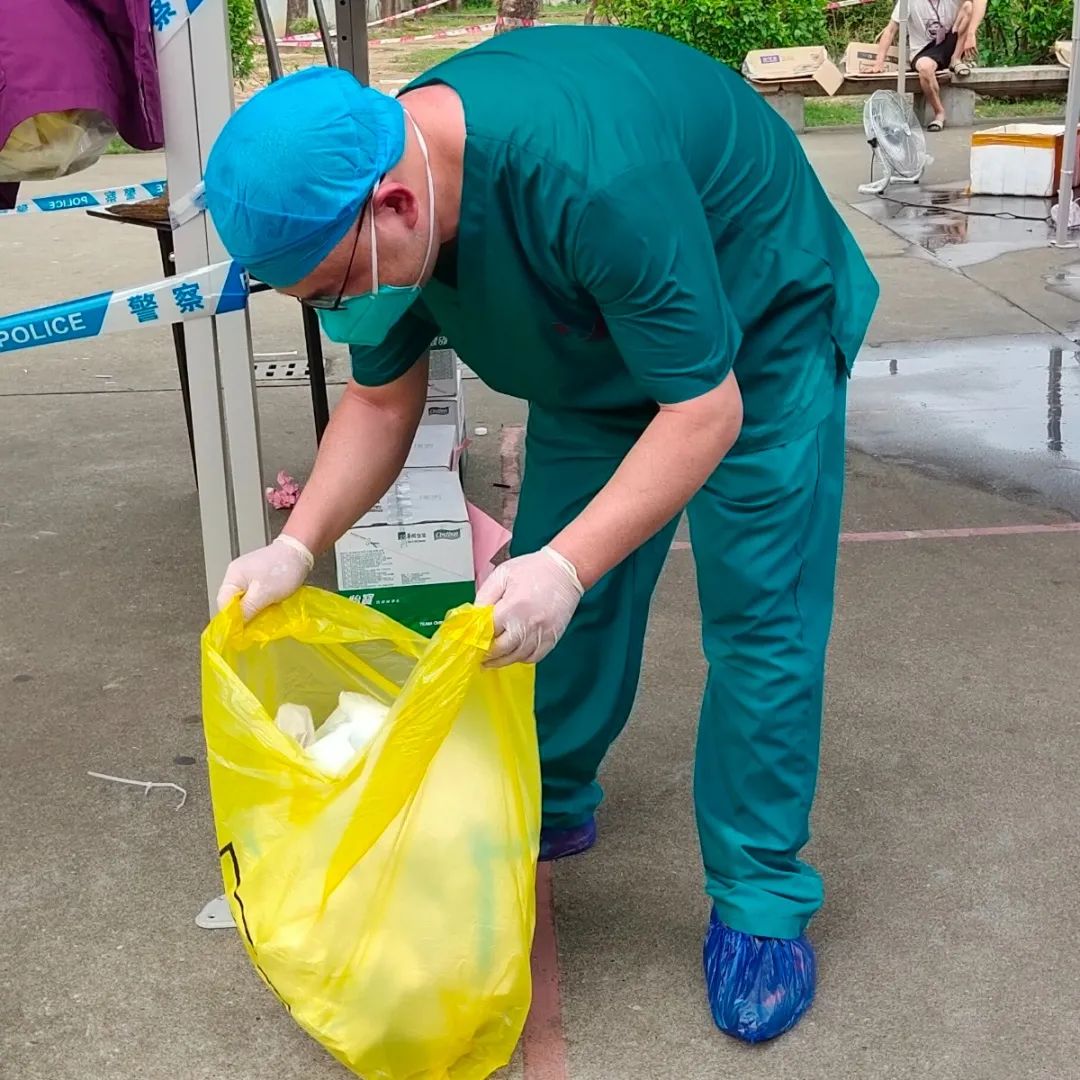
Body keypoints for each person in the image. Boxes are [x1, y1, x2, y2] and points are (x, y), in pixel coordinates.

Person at [204, 26, 878, 1043]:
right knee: (537, 616)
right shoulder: (384, 206)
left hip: (756, 318)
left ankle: (760, 897)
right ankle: (545, 791)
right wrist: (296, 547)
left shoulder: (587, 179)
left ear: (397, 205)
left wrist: (564, 564)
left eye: (335, 291)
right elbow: (381, 401)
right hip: (594, 343)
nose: (343, 313)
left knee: (759, 616)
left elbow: (703, 411)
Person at [871, 0, 986, 131]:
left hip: (950, 42)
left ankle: (956, 59)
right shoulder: (908, 2)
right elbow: (890, 30)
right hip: (923, 50)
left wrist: (971, 34)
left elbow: (981, 1)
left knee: (968, 6)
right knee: (925, 68)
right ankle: (939, 113)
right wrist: (879, 63)